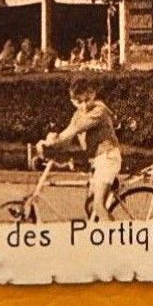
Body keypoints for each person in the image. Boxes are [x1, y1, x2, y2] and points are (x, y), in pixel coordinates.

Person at [39, 77, 121, 221]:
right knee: (90, 208)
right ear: (72, 102)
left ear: (93, 95)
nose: (84, 105)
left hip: (108, 158)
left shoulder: (99, 110)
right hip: (97, 161)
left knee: (98, 206)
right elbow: (66, 141)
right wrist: (48, 148)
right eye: (79, 102)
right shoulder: (77, 115)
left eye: (87, 100)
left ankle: (120, 240)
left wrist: (53, 141)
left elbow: (74, 130)